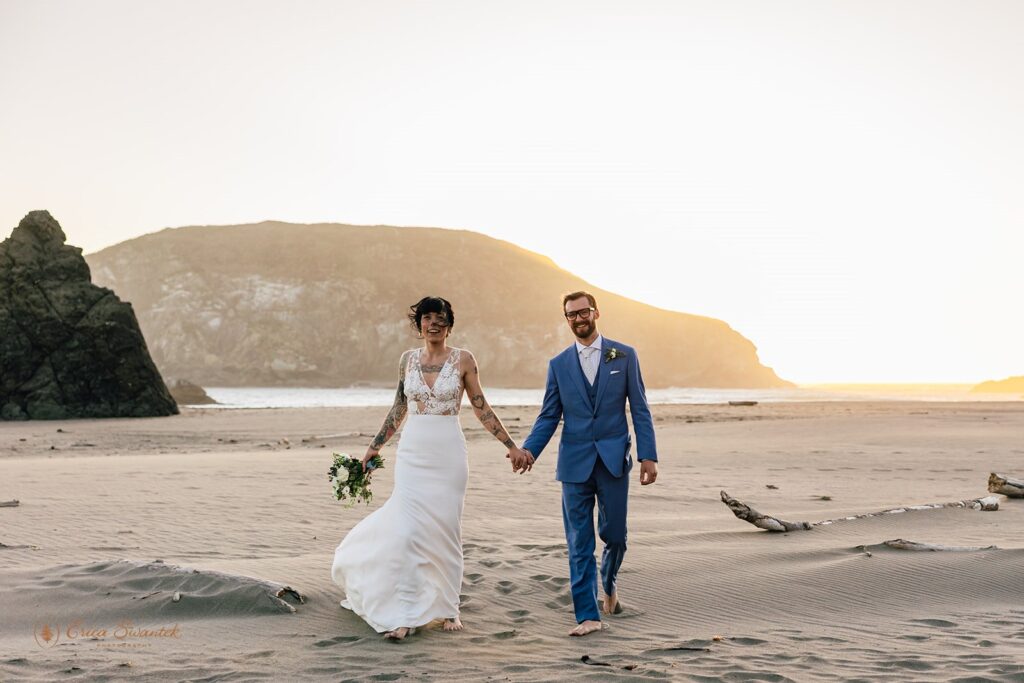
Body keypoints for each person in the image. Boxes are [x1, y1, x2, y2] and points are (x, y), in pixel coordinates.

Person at [331, 296, 521, 640]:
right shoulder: (407, 360)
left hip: (448, 455)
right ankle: (405, 613)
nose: (433, 323)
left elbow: (481, 407)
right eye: (427, 318)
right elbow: (398, 409)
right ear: (419, 324)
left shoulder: (464, 359)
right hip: (413, 454)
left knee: (446, 530)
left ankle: (448, 607)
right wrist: (374, 448)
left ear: (449, 323)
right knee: (407, 533)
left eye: (440, 318)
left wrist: (511, 446)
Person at [510, 291, 659, 637]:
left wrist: (648, 456)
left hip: (613, 462)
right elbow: (549, 415)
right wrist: (529, 450)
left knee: (616, 536)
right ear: (566, 319)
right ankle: (588, 616)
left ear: (595, 312)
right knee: (580, 541)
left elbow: (640, 408)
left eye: (583, 312)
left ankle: (609, 583)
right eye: (571, 315)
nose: (578, 318)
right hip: (574, 464)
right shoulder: (558, 365)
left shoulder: (624, 355)